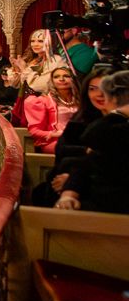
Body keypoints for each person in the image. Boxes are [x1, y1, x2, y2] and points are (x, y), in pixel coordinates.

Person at [56, 71, 129, 214]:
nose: (100, 94)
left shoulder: (116, 124)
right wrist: (70, 190)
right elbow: (83, 159)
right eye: (93, 88)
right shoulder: (84, 121)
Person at [24, 66, 79, 153]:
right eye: (56, 77)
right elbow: (34, 131)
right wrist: (54, 134)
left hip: (78, 138)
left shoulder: (81, 100)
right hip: (55, 140)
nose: (61, 79)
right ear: (52, 81)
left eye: (66, 76)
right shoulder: (43, 101)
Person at [9, 30, 64, 95]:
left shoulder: (55, 60)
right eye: (32, 41)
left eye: (40, 41)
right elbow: (15, 85)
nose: (35, 44)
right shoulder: (30, 59)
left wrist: (24, 69)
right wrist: (17, 69)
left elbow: (42, 85)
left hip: (45, 101)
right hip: (27, 100)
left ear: (50, 42)